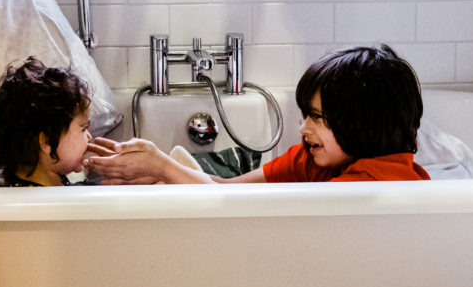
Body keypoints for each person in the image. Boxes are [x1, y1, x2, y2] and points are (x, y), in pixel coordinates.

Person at [85, 44, 430, 184]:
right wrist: (160, 171)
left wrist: (161, 166)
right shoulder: (313, 160)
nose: (302, 128)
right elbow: (226, 191)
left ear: (363, 123)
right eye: (304, 115)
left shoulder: (383, 181)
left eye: (316, 117)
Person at [0, 57, 94, 187]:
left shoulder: (32, 185)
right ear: (48, 140)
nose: (89, 137)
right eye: (83, 128)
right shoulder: (45, 203)